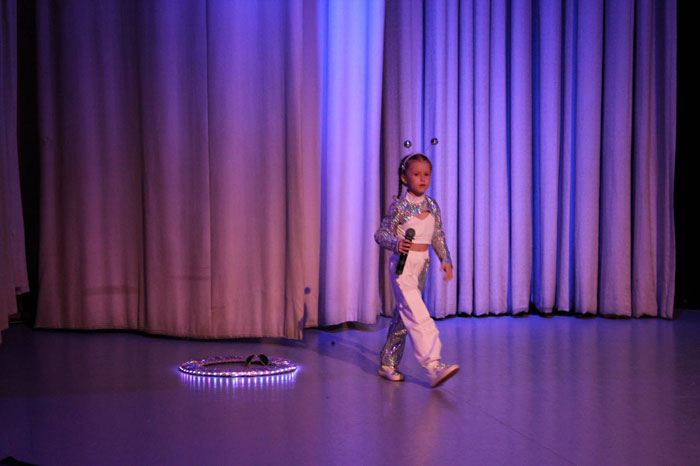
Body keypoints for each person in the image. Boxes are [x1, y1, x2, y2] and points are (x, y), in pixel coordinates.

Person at [374, 153, 459, 388]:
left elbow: (437, 235)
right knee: (417, 312)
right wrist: (396, 243)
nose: (422, 179)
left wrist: (445, 259)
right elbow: (381, 234)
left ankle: (388, 362)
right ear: (404, 178)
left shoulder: (432, 205)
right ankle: (433, 365)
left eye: (426, 174)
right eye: (416, 174)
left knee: (404, 314)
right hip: (403, 265)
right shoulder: (399, 207)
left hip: (423, 264)